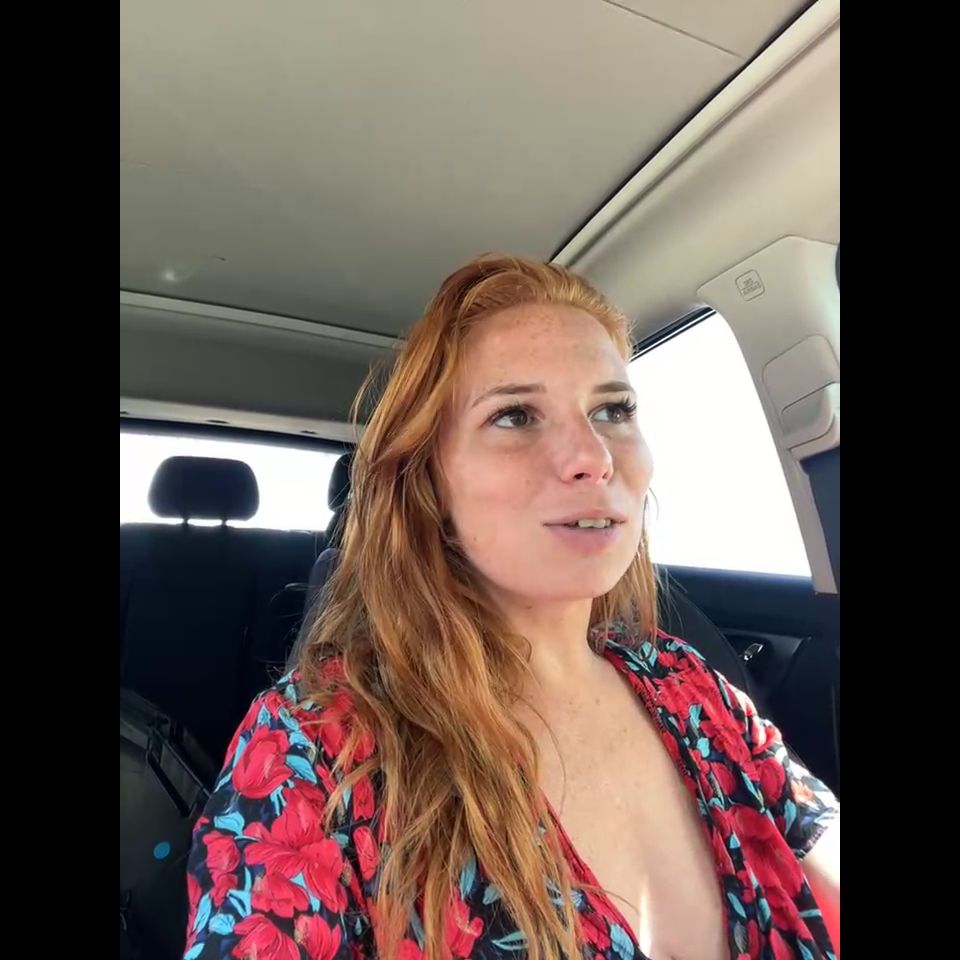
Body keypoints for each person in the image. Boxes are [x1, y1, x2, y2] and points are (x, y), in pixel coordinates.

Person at [183, 255, 839, 960]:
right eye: (516, 416)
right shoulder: (312, 752)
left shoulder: (690, 687)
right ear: (430, 484)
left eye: (612, 409)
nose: (593, 455)